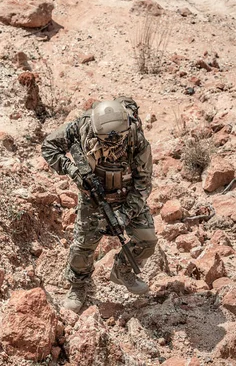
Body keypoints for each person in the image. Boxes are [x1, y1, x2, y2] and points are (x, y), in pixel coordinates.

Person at [41, 97, 157, 312]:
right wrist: (73, 170)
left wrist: (125, 215)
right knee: (83, 246)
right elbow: (49, 146)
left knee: (147, 240)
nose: (109, 145)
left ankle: (123, 270)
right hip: (92, 195)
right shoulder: (82, 126)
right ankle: (78, 286)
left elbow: (143, 184)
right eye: (103, 140)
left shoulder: (137, 140)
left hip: (128, 194)